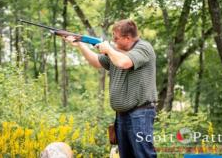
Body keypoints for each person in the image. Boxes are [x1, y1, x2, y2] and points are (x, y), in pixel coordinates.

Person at [63, 19, 157, 158]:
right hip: (122, 115)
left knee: (144, 155)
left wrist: (108, 49)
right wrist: (81, 45)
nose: (113, 40)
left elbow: (124, 62)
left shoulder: (144, 48)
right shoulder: (116, 53)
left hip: (140, 113)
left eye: (116, 37)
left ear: (127, 38)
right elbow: (96, 61)